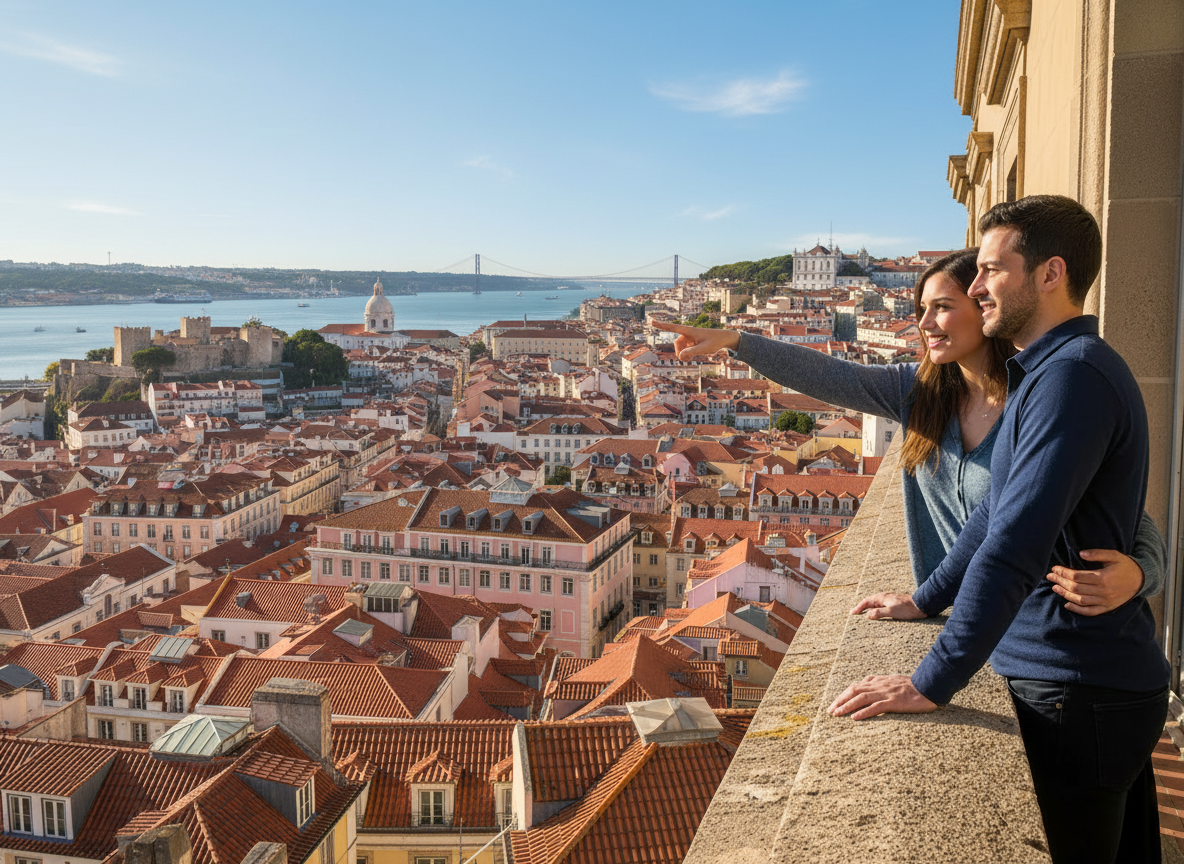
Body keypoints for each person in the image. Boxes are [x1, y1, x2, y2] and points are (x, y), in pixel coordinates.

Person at [823, 196, 1169, 864]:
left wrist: (931, 680)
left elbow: (1015, 543)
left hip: (1078, 687)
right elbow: (990, 516)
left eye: (991, 269)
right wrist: (926, 598)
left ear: (1050, 274)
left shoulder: (1073, 379)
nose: (976, 286)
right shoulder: (1044, 373)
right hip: (1073, 681)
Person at [652, 249, 1165, 614]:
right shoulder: (918, 395)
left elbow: (1123, 510)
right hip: (969, 625)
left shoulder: (1040, 399)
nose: (924, 323)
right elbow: (830, 377)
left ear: (985, 308)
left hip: (1046, 635)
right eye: (921, 309)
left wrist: (1142, 575)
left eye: (942, 306)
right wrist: (736, 340)